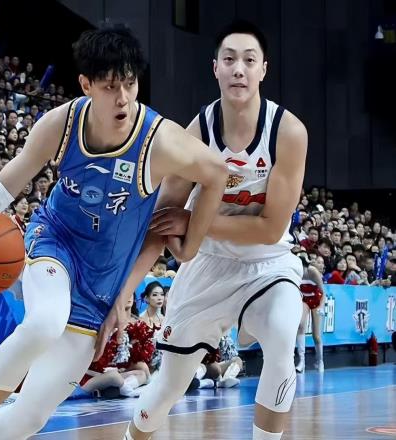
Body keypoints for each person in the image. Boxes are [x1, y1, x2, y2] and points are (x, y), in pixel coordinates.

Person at [0, 25, 227, 440]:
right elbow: (9, 182)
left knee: (31, 417)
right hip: (55, 242)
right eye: (111, 86)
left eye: (129, 83)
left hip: (101, 287)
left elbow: (217, 173)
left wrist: (190, 244)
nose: (123, 97)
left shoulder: (160, 140)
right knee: (45, 321)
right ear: (86, 85)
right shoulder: (62, 123)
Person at [119, 20, 308, 440]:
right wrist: (126, 287)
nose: (239, 68)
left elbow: (270, 228)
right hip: (207, 264)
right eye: (229, 59)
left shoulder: (288, 132)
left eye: (249, 60)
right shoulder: (196, 133)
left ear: (263, 69)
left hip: (268, 264)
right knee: (169, 386)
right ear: (215, 68)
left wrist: (195, 222)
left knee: (282, 334)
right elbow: (163, 218)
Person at [295, 254, 325, 373]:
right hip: (304, 300)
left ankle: (320, 361)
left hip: (317, 300)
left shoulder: (313, 272)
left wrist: (321, 307)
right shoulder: (294, 272)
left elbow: (323, 292)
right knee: (300, 326)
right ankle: (302, 362)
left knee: (316, 335)